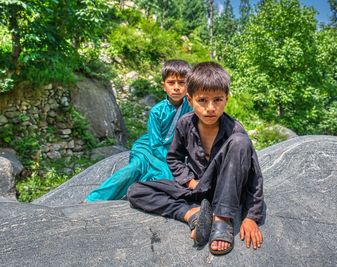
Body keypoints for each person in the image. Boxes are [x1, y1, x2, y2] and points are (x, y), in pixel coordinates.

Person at [127, 62, 265, 256]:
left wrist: (251, 217)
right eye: (202, 100)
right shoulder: (185, 124)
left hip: (227, 190)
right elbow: (174, 158)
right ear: (190, 100)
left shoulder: (235, 130)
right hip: (198, 189)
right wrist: (190, 182)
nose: (210, 108)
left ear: (226, 99)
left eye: (217, 100)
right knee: (136, 190)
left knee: (240, 142)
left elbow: (254, 178)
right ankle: (192, 214)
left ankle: (222, 219)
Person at [84, 59, 192, 202]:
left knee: (166, 176)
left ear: (189, 85)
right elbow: (155, 144)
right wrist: (173, 161)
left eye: (182, 82)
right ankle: (93, 199)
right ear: (164, 86)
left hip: (171, 151)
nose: (176, 87)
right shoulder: (157, 111)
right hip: (148, 148)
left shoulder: (191, 109)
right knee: (133, 170)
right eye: (171, 83)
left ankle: (140, 190)